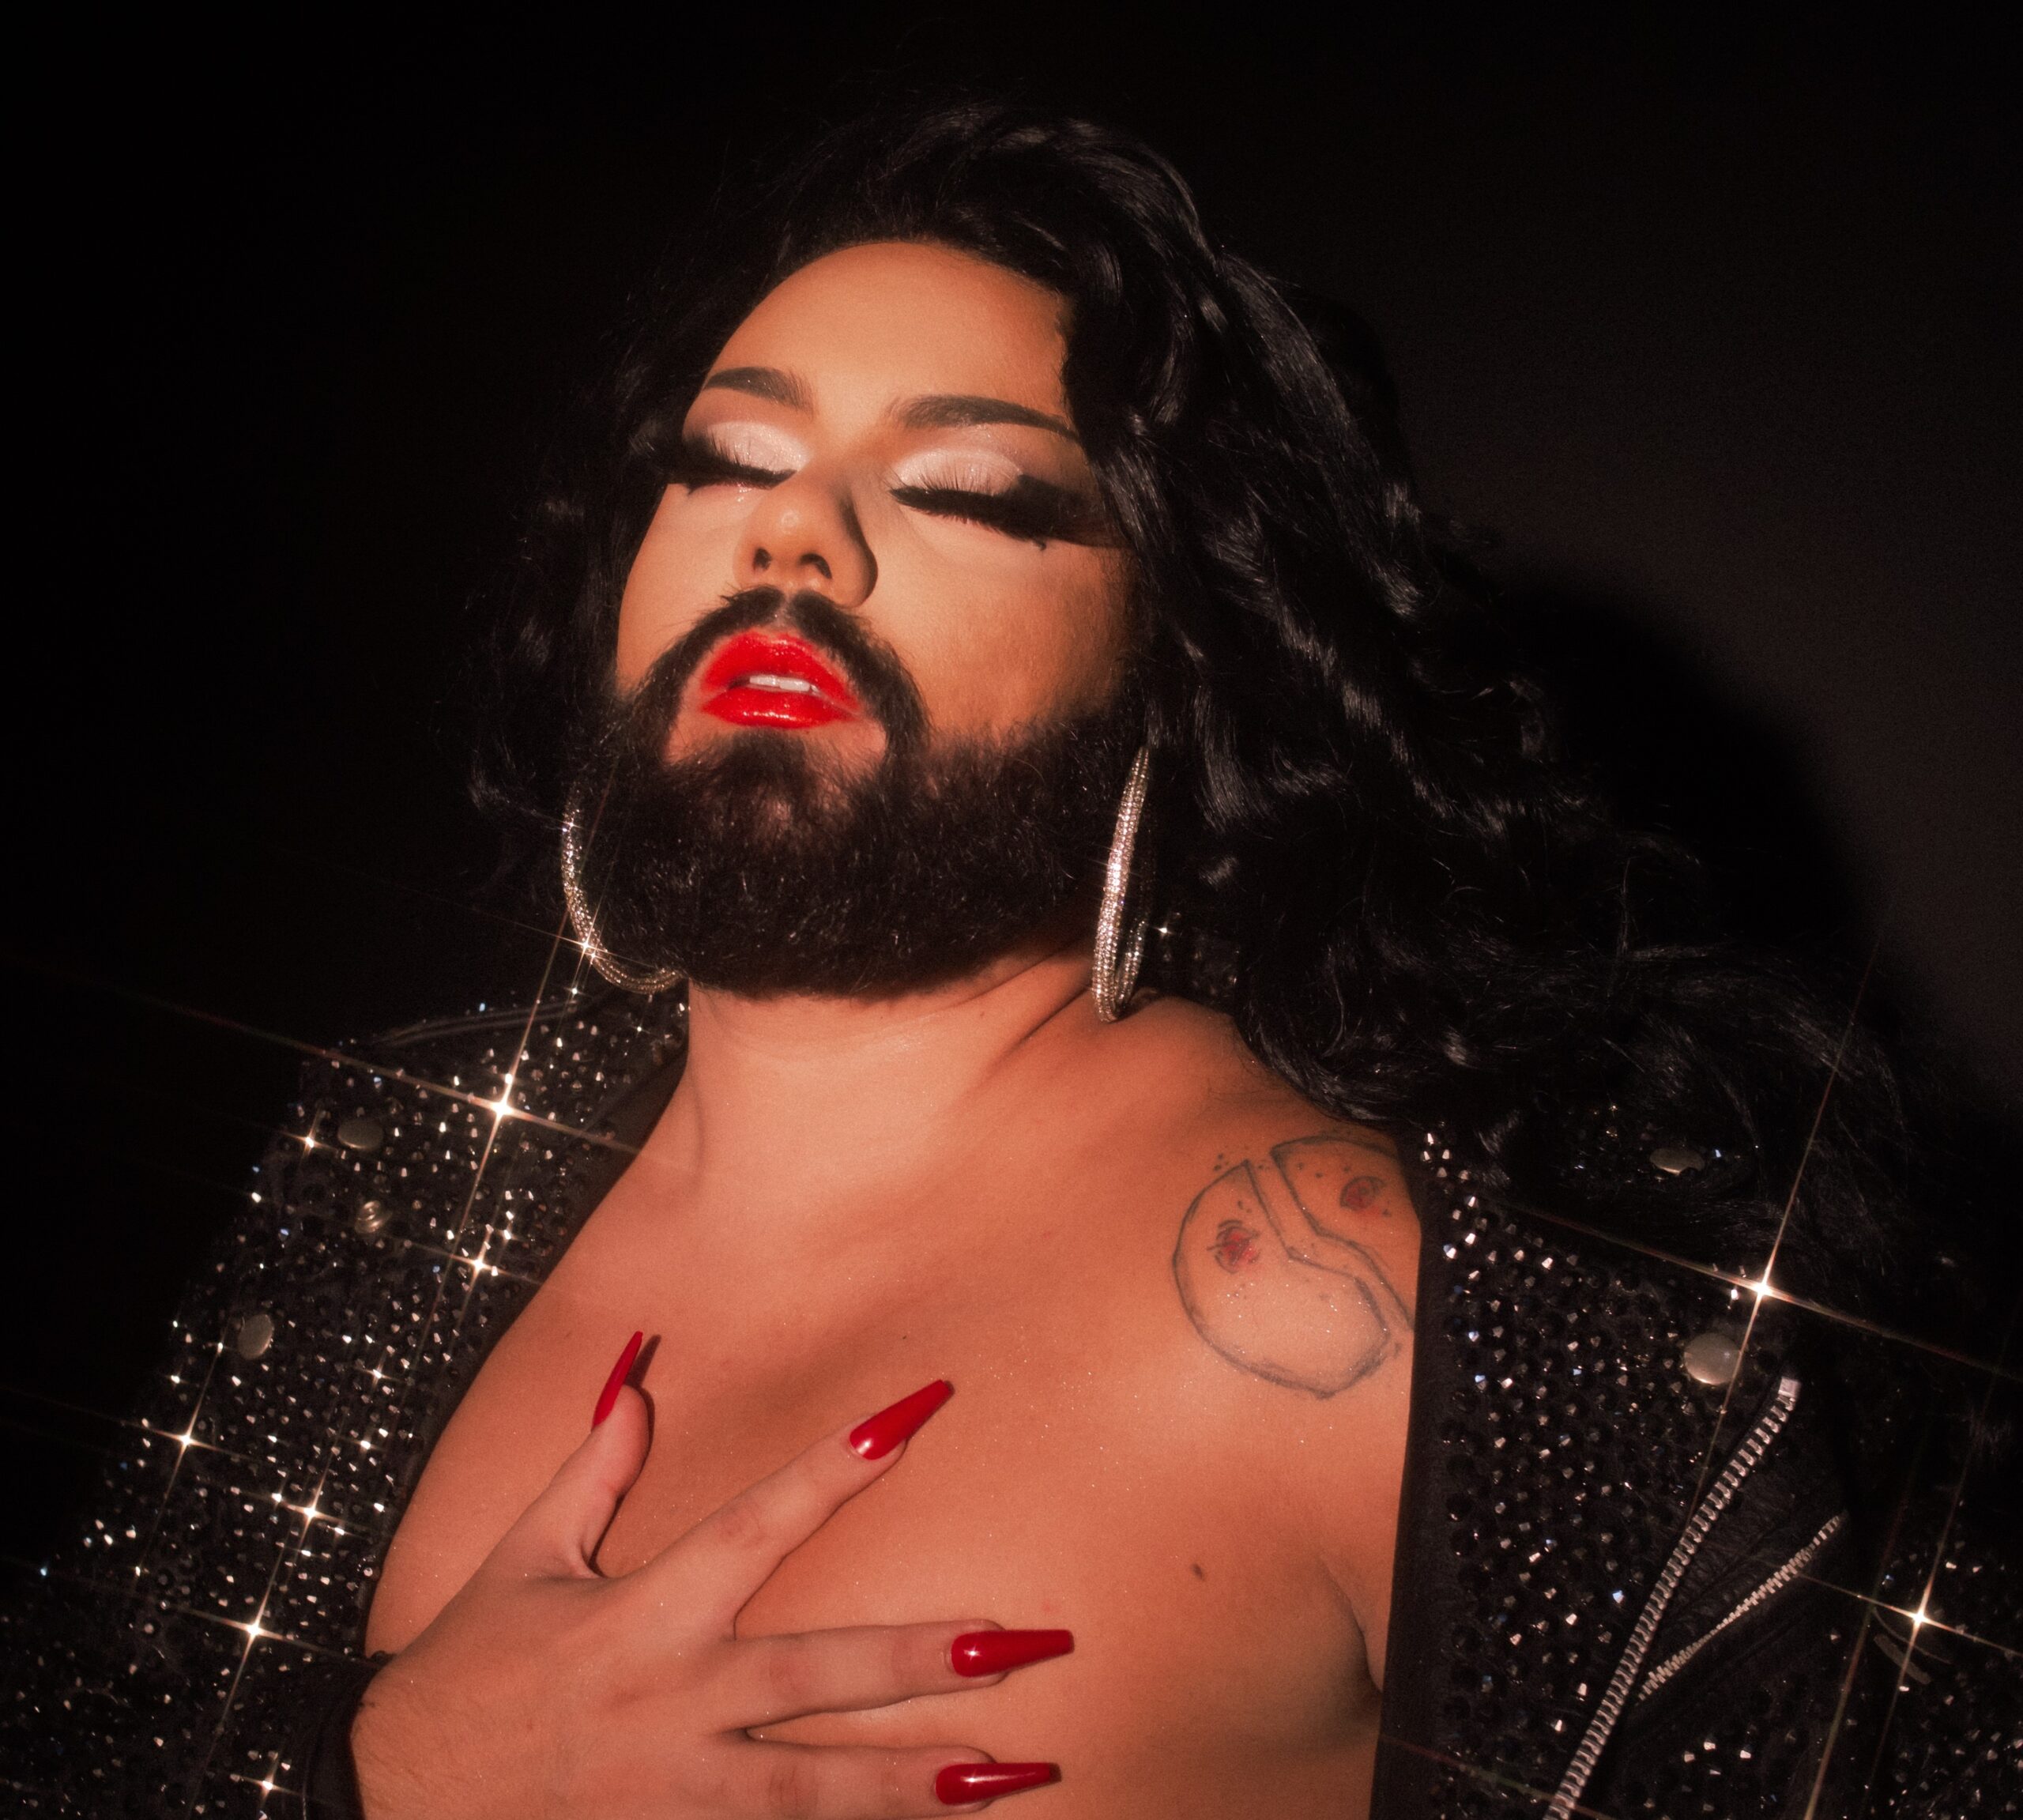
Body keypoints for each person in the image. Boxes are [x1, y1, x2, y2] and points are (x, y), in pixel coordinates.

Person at [6, 103, 2014, 1820]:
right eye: (724, 462)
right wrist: (386, 1768)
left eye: (964, 489)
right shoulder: (397, 1166)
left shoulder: (1440, 1309)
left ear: (1177, 660)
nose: (793, 543)